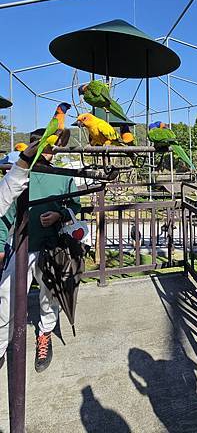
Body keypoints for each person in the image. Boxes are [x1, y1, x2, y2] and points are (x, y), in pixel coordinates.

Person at [0, 129, 81, 373]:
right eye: (45, 145)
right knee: (6, 296)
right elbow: (5, 214)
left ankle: (44, 334)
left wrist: (60, 214)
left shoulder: (64, 176)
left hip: (52, 249)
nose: (49, 150)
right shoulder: (21, 175)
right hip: (22, 245)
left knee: (50, 296)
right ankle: (1, 344)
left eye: (53, 146)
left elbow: (75, 207)